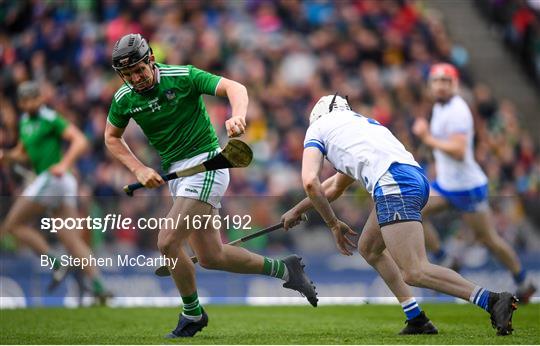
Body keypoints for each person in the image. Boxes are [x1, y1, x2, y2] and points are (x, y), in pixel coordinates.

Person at [105, 33, 317, 338]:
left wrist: (238, 117)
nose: (136, 78)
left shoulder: (182, 77)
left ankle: (192, 314)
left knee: (167, 242)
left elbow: (235, 87)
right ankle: (287, 270)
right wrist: (138, 168)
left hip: (207, 165)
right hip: (177, 175)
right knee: (211, 256)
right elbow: (111, 137)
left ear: (151, 59)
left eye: (139, 69)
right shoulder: (124, 99)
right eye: (128, 74)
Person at [281, 93, 518, 336]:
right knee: (369, 248)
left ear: (317, 115)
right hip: (413, 179)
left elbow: (311, 182)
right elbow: (334, 187)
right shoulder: (360, 125)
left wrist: (332, 224)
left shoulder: (318, 128)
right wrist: (297, 210)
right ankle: (416, 317)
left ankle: (491, 300)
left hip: (395, 185)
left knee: (414, 271)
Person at [412, 63, 536, 304]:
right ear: (430, 85)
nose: (441, 85)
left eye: (446, 81)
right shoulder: (439, 107)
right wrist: (428, 144)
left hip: (467, 188)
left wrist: (428, 138)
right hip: (447, 185)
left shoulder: (458, 110)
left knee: (489, 239)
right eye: (437, 81)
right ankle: (444, 258)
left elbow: (458, 151)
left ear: (455, 85)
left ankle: (523, 282)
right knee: (414, 211)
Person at [0, 81, 110, 302]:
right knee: (71, 238)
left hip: (54, 178)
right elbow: (24, 154)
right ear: (21, 103)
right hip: (56, 182)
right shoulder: (24, 122)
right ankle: (99, 287)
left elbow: (80, 141)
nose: (30, 103)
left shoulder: (49, 118)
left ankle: (56, 263)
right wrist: (8, 156)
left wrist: (63, 163)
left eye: (34, 98)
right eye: (25, 100)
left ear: (41, 99)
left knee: (13, 224)